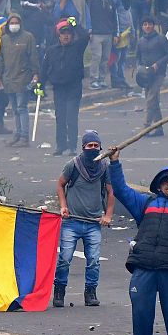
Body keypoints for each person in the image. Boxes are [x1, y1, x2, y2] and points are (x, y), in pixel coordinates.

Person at [108, 149, 168, 335]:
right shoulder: (146, 203)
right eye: (166, 180)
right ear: (159, 185)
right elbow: (121, 189)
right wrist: (114, 163)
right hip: (144, 267)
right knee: (140, 312)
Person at [53, 130, 115, 308]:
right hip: (71, 222)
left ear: (100, 147)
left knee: (94, 260)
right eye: (90, 146)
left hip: (94, 223)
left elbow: (111, 192)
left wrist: (108, 215)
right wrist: (63, 206)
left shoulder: (104, 167)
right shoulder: (73, 165)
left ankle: (91, 292)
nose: (93, 149)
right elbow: (60, 185)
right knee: (64, 258)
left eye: (96, 146)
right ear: (83, 147)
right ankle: (59, 290)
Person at [42, 18, 91, 156]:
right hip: (58, 88)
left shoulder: (77, 47)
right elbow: (44, 68)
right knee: (60, 118)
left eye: (69, 33)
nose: (66, 35)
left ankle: (72, 146)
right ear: (59, 35)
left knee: (71, 118)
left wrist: (76, 25)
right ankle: (60, 146)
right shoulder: (52, 50)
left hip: (73, 88)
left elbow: (86, 36)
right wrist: (40, 84)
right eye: (63, 33)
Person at [0, 13, 40, 148]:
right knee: (14, 109)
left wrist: (36, 74)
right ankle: (18, 134)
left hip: (23, 78)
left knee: (22, 108)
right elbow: (1, 60)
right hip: (8, 79)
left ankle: (24, 136)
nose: (14, 25)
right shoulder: (5, 39)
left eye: (16, 22)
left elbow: (33, 57)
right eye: (11, 23)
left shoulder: (28, 37)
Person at [136, 16, 168, 136]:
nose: (147, 26)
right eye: (145, 24)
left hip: (159, 74)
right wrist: (139, 70)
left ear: (153, 25)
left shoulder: (161, 39)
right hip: (146, 75)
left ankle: (146, 127)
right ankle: (159, 127)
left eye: (150, 24)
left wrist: (158, 64)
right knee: (154, 101)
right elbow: (138, 58)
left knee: (150, 98)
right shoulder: (140, 41)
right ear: (142, 26)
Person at [85, 0, 120, 90]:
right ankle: (93, 80)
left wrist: (116, 34)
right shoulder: (91, 0)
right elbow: (87, 16)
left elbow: (115, 19)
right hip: (95, 34)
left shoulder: (111, 1)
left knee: (105, 58)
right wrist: (89, 30)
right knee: (97, 57)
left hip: (108, 34)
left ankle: (101, 79)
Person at [110, 0, 133, 89]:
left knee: (123, 58)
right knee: (116, 57)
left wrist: (132, 30)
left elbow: (129, 13)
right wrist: (116, 33)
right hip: (118, 33)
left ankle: (122, 78)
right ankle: (115, 79)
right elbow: (113, 16)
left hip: (126, 31)